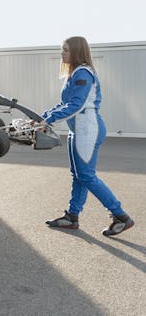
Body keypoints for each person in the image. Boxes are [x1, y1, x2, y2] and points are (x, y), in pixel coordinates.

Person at [38, 37, 134, 236]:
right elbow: (65, 103)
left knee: (87, 176)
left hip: (88, 129)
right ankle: (72, 217)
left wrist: (51, 119)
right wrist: (42, 117)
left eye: (65, 50)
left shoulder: (83, 73)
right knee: (78, 175)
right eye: (62, 50)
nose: (62, 54)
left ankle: (121, 216)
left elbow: (77, 105)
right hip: (77, 130)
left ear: (76, 51)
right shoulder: (72, 74)